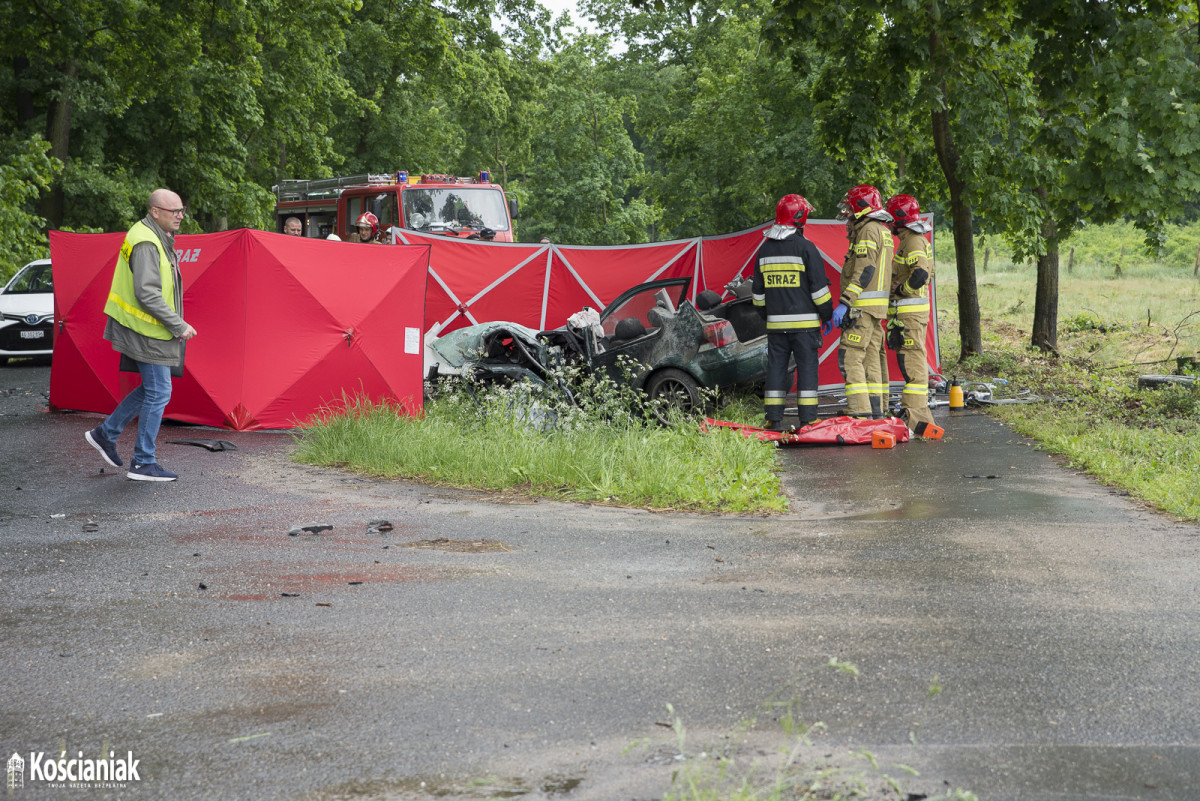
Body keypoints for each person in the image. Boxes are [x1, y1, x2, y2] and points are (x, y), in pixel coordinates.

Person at [84, 189, 198, 481]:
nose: (180, 216)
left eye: (181, 210)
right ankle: (143, 462)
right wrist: (178, 324)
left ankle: (105, 434)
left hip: (142, 326)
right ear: (155, 211)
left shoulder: (146, 232)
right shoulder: (147, 242)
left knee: (151, 389)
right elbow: (146, 292)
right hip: (148, 330)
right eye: (175, 212)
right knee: (160, 392)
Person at [752, 194, 833, 431]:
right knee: (807, 368)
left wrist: (768, 316)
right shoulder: (806, 248)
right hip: (805, 327)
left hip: (776, 327)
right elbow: (819, 291)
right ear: (801, 218)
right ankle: (807, 419)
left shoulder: (764, 251)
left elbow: (758, 296)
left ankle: (773, 420)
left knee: (776, 369)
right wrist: (826, 315)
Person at [824, 184, 894, 418]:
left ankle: (859, 411)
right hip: (876, 309)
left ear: (861, 208)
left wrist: (846, 301)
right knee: (872, 359)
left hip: (861, 309)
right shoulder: (882, 229)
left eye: (850, 213)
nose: (848, 220)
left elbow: (865, 269)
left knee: (850, 356)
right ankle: (877, 409)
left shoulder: (867, 230)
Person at [885, 194, 937, 431]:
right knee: (910, 363)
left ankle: (919, 421)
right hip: (907, 317)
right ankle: (912, 414)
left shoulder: (913, 241)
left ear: (899, 218)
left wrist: (902, 290)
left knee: (913, 366)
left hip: (910, 317)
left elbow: (920, 275)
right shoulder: (910, 240)